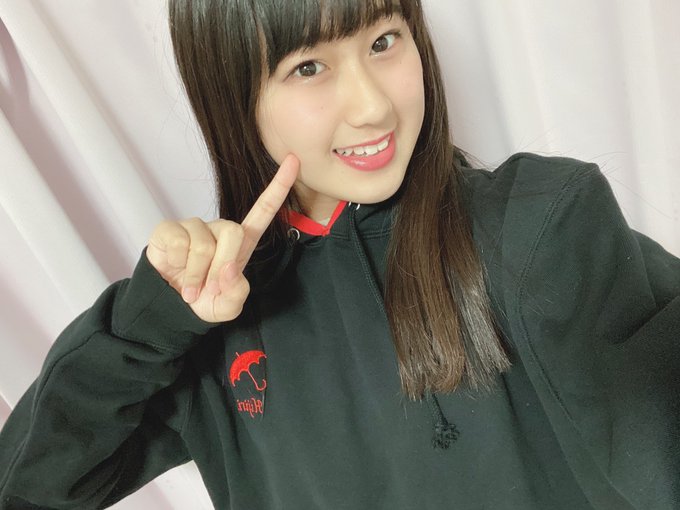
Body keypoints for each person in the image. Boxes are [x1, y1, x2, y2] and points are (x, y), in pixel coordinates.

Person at [1, 0, 678, 508]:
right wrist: (149, 326)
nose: (372, 105)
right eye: (309, 67)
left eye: (383, 40)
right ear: (234, 97)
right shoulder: (206, 324)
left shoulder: (536, 228)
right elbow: (28, 487)